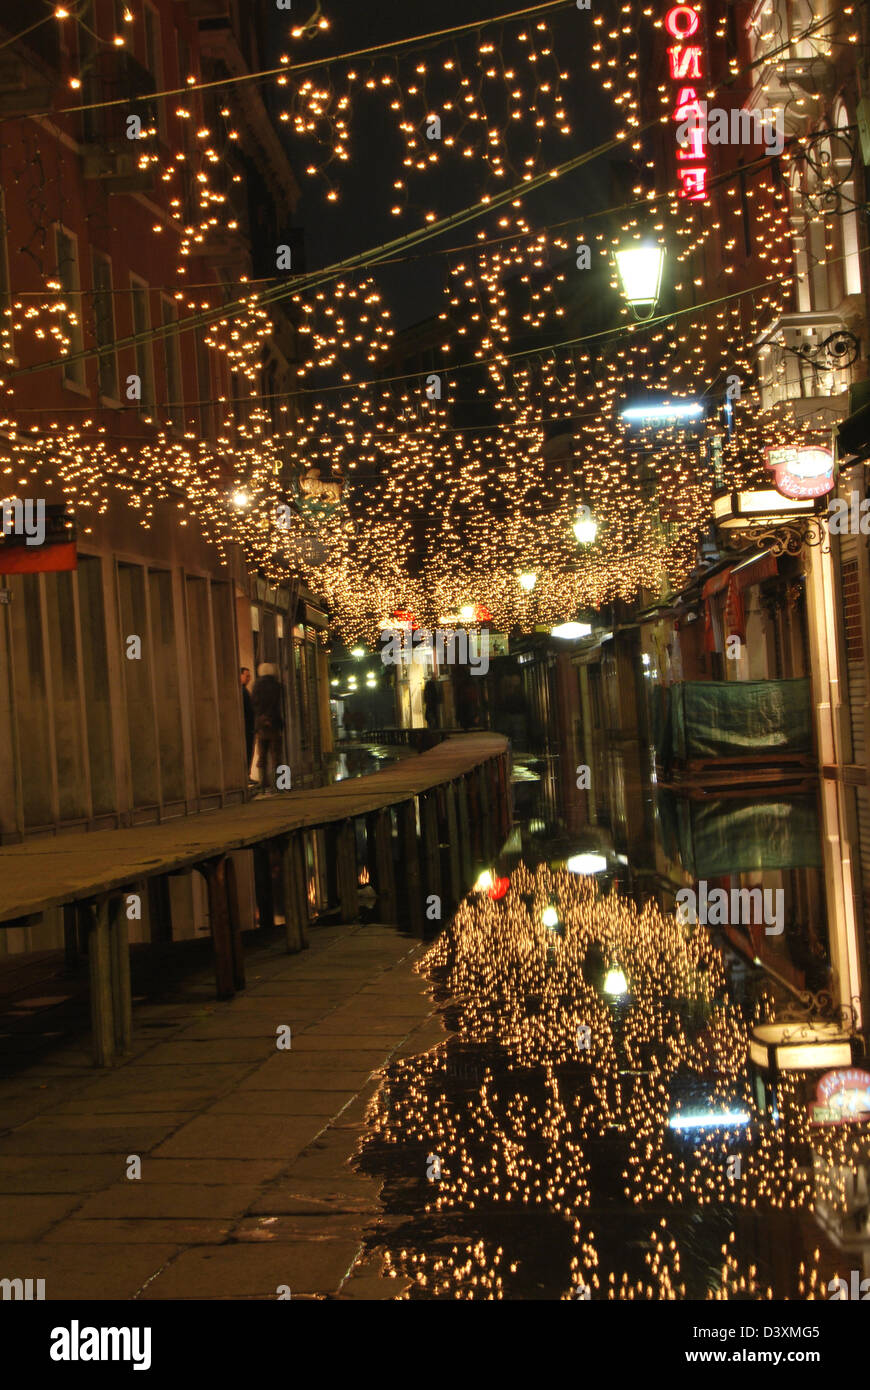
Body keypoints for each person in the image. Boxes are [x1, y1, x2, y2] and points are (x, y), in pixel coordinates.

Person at [251, 662, 284, 791]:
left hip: (261, 724)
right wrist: (272, 718)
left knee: (262, 755)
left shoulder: (256, 685)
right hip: (275, 723)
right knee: (277, 755)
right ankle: (280, 784)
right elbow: (279, 704)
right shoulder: (277, 686)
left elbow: (255, 703)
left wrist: (262, 718)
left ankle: (263, 783)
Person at [240, 667, 255, 773]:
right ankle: (246, 775)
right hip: (247, 727)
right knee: (247, 751)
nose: (249, 678)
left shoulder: (244, 690)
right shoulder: (242, 691)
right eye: (247, 676)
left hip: (248, 726)